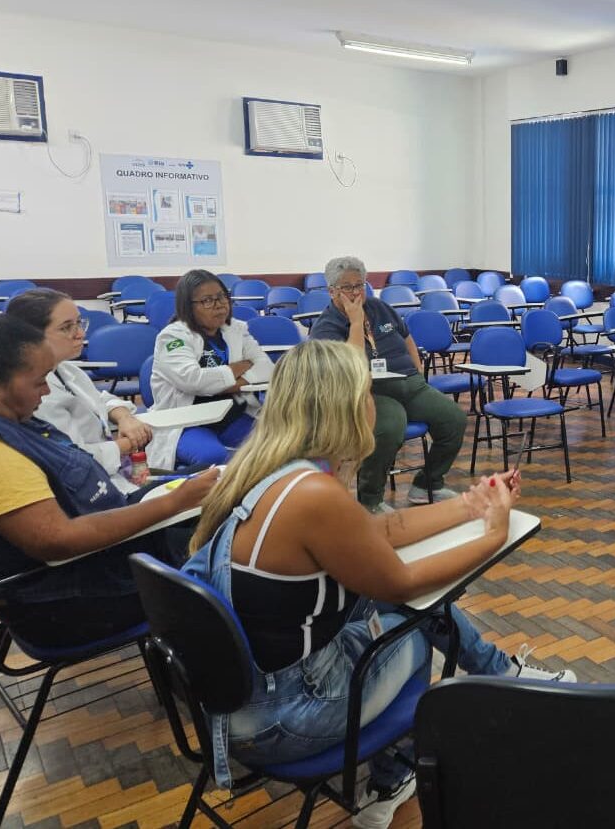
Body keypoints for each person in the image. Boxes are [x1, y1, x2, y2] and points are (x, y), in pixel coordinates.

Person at [184, 338, 573, 827]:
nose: (376, 403)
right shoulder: (314, 495)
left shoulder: (276, 472)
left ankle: (498, 675)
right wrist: (494, 531)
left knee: (403, 614)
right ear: (345, 405)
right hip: (283, 719)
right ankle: (392, 778)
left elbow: (378, 532)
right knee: (421, 630)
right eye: (368, 392)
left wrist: (470, 506)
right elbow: (403, 583)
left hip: (243, 704)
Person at [0, 313, 217, 648]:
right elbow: (58, 540)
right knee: (225, 551)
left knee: (215, 506)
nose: (46, 391)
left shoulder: (13, 420)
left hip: (92, 563)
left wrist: (175, 499)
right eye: (39, 382)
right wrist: (173, 503)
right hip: (67, 602)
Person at [309, 256, 466, 511]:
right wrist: (356, 321)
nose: (355, 292)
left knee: (454, 419)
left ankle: (427, 483)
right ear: (332, 291)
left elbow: (406, 337)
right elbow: (351, 365)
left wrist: (417, 370)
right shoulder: (325, 326)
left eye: (359, 285)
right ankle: (371, 501)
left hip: (409, 384)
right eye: (347, 287)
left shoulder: (379, 307)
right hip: (370, 393)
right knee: (390, 426)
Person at [6, 288, 155, 494]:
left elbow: (101, 400)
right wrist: (129, 443)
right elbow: (76, 458)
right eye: (67, 328)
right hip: (91, 492)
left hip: (115, 477)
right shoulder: (36, 395)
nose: (81, 334)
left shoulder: (66, 369)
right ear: (31, 336)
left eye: (79, 323)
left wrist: (125, 418)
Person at [148, 270, 274, 470]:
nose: (219, 305)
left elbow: (267, 368)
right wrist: (240, 368)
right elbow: (193, 381)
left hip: (231, 416)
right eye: (207, 301)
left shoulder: (236, 329)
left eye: (222, 297)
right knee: (213, 456)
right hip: (188, 422)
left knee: (277, 442)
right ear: (188, 306)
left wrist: (224, 385)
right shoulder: (173, 337)